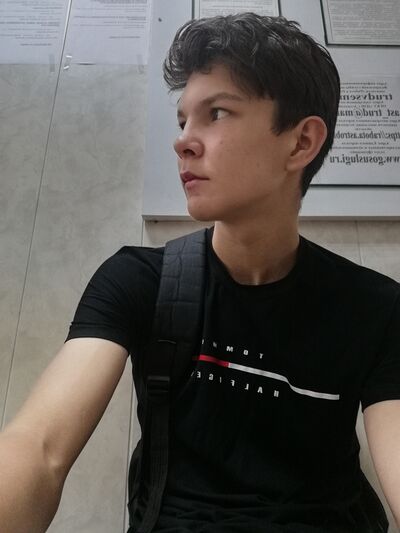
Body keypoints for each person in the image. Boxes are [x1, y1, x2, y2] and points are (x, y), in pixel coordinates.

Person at [1, 12, 399, 533]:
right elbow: (38, 448)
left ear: (301, 142)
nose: (183, 141)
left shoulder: (375, 308)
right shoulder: (139, 281)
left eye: (217, 113)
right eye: (183, 121)